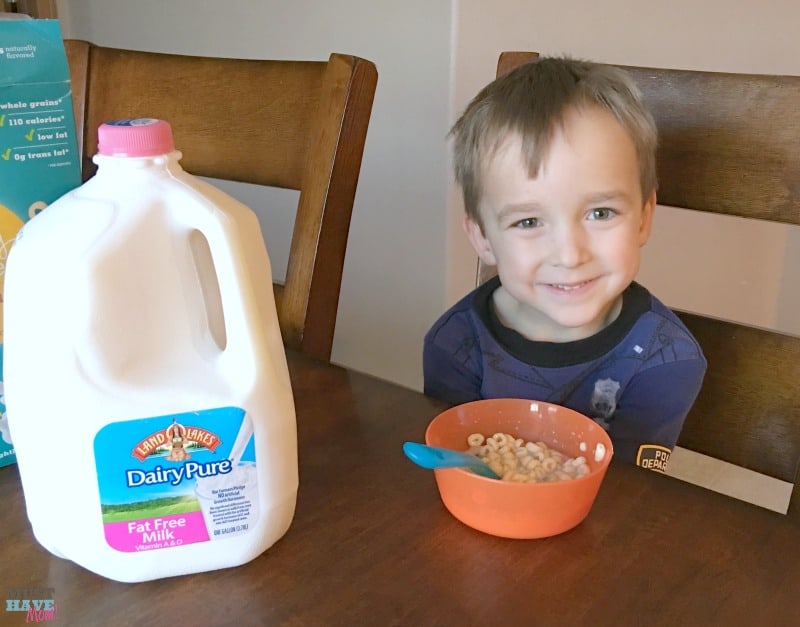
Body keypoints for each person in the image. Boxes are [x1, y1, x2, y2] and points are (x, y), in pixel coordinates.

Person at [423, 55, 706, 469]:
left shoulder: (665, 362)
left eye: (601, 213)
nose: (571, 255)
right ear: (483, 238)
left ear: (644, 217)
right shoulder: (455, 346)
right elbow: (457, 471)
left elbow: (628, 499)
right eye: (529, 221)